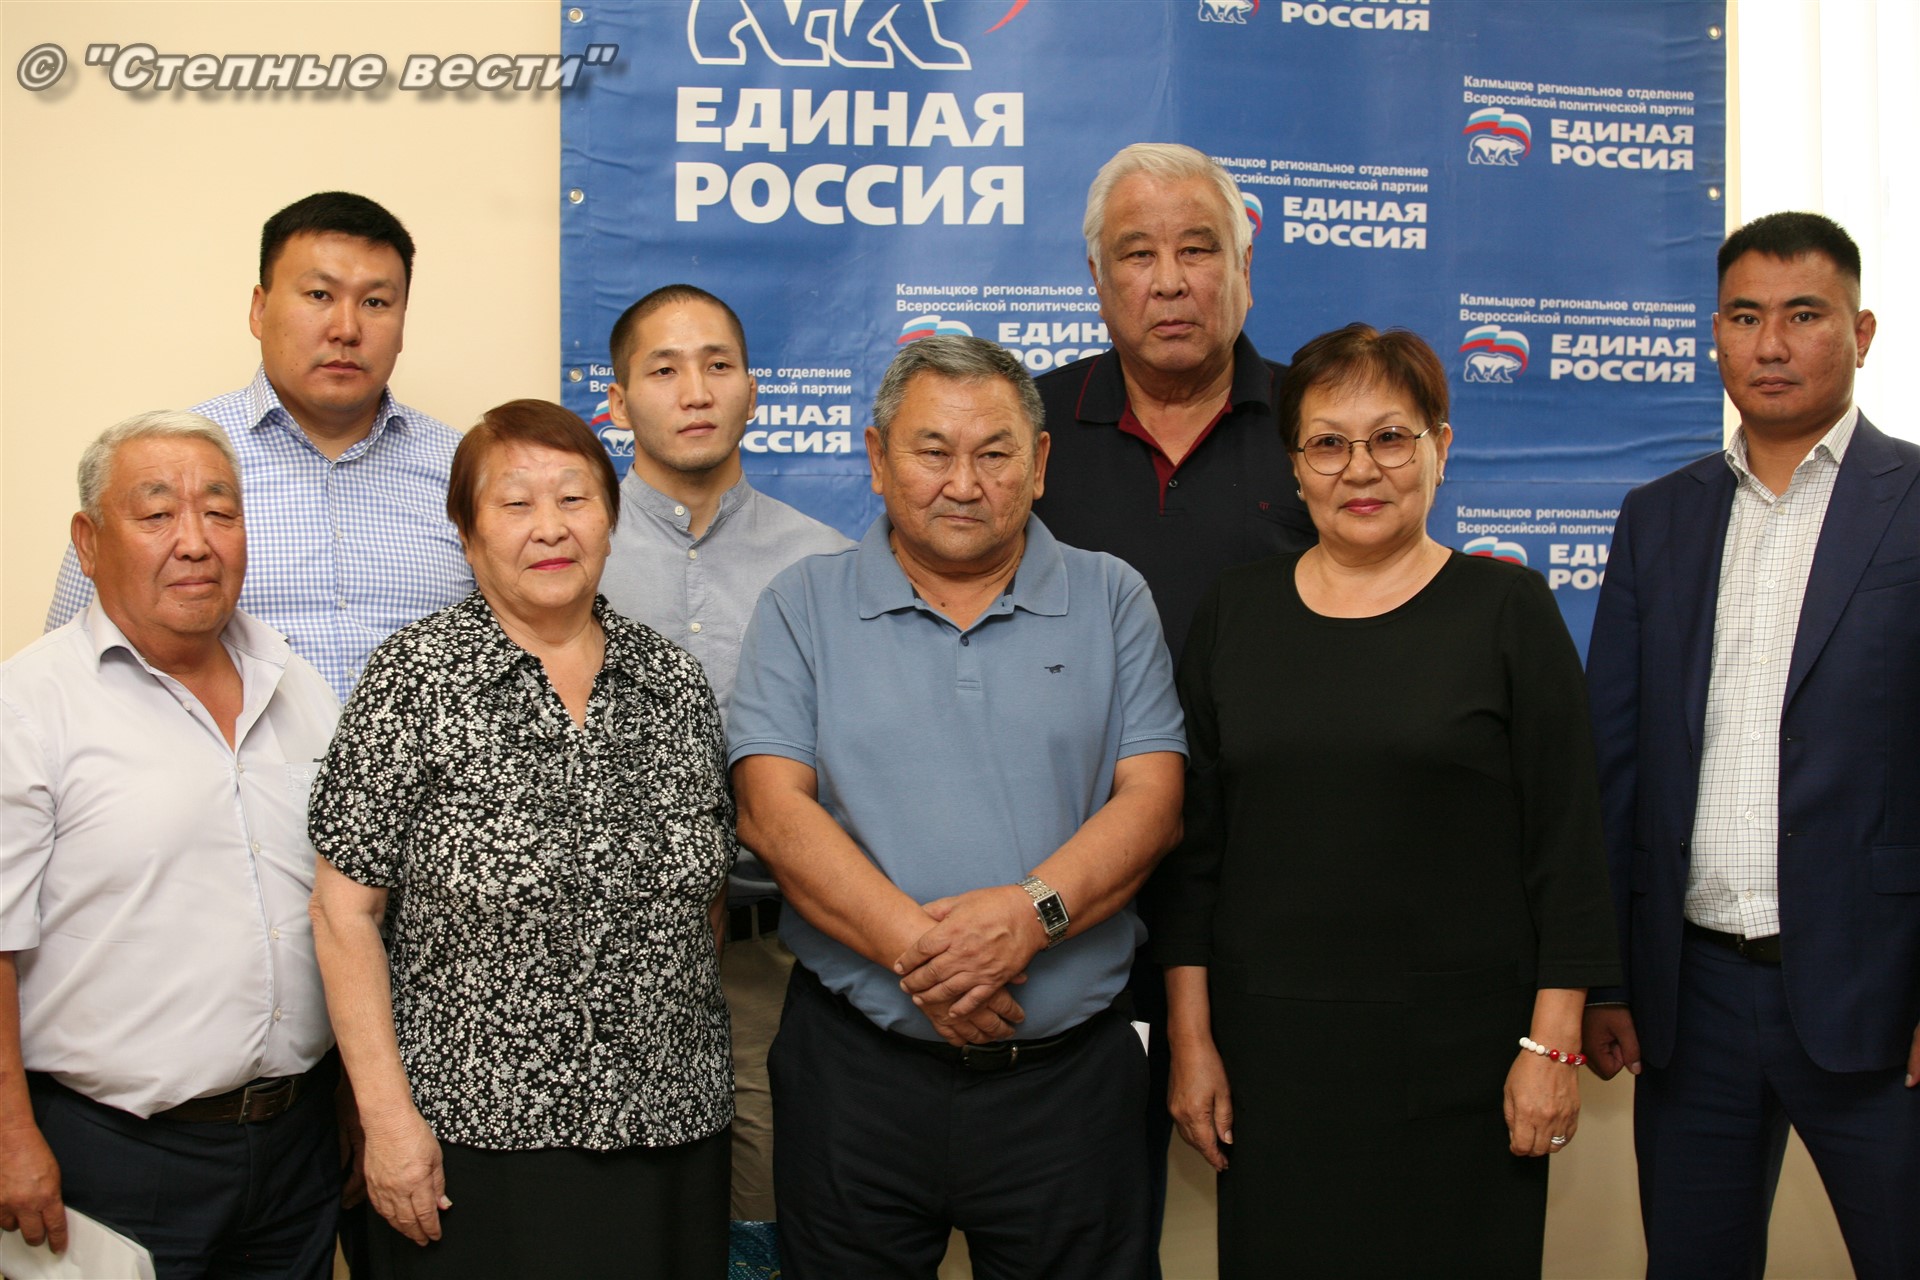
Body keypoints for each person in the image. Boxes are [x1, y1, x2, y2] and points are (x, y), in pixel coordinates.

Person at [1156, 324, 1620, 1277]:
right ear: (1295, 467)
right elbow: (1192, 858)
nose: (1360, 468)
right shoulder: (1234, 613)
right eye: (1328, 443)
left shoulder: (1510, 612)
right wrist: (1192, 1043)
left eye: (1392, 438)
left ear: (1440, 448)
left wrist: (1552, 1048)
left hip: (1467, 1066)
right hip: (1274, 1066)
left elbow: (1569, 849)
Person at [729, 335, 1186, 1278]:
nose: (964, 484)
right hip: (855, 1080)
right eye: (933, 451)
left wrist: (1028, 917)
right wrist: (926, 955)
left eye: (995, 453)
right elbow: (773, 812)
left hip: (1069, 1088)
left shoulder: (1112, 597)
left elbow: (1154, 801)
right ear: (877, 458)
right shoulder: (802, 603)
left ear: (1041, 463)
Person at [306, 400, 735, 1279]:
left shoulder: (673, 683)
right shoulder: (414, 679)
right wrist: (386, 1119)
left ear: (610, 521)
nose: (550, 527)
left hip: (672, 1131)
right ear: (468, 535)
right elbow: (343, 914)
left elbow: (706, 901)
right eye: (515, 504)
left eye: (574, 499)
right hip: (470, 1143)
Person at [1583, 212, 1919, 1278]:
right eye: (1744, 317)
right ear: (1715, 335)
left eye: (1804, 315)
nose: (1771, 344)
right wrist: (1607, 979)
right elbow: (1614, 763)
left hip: (1880, 997)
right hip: (1693, 1005)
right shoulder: (1657, 518)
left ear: (1861, 333)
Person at [1028, 145, 1317, 1252]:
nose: (1169, 281)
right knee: (1086, 1228)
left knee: (1299, 1215)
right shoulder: (1028, 431)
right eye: (1136, 255)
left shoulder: (1315, 426)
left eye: (1199, 249)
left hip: (1279, 895)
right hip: (1074, 891)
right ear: (1097, 280)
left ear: (1245, 266)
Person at [1, 411, 343, 1278]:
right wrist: (7, 1137)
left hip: (297, 1145)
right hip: (112, 1155)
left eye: (220, 513)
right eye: (156, 514)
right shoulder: (28, 706)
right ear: (89, 542)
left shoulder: (298, 685)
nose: (195, 542)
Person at [596, 284, 852, 1251]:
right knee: (619, 1226)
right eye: (663, 369)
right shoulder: (565, 552)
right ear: (617, 401)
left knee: (766, 1224)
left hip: (771, 957)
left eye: (718, 365)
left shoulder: (827, 566)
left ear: (753, 390)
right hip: (600, 959)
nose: (695, 391)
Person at [45, 191, 472, 702]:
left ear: (402, 323)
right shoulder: (162, 463)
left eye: (375, 302)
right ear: (260, 309)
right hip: (216, 753)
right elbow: (67, 669)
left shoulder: (467, 470)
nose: (346, 329)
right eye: (319, 295)